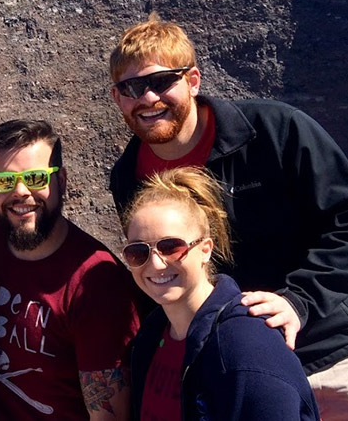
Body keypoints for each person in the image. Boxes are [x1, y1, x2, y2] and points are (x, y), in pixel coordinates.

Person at [108, 15, 348, 418]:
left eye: (161, 82)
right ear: (117, 97)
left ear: (193, 80)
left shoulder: (275, 132)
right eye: (132, 87)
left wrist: (300, 302)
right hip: (222, 372)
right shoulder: (129, 177)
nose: (148, 98)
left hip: (327, 354)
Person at [0, 119, 139, 420]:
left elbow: (110, 415)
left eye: (35, 178)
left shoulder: (97, 284)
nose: (20, 193)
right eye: (4, 181)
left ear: (62, 181)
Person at [122, 166, 319, 420]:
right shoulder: (150, 337)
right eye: (138, 252)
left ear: (205, 249)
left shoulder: (247, 349)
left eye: (171, 246)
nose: (156, 264)